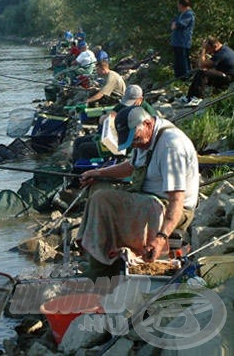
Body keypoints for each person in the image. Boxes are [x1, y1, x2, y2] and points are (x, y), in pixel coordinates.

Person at [77, 106, 199, 279]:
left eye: (136, 140)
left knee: (103, 201)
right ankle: (102, 256)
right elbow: (131, 166)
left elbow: (177, 201)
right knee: (98, 192)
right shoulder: (144, 139)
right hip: (148, 197)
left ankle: (100, 271)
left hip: (172, 208)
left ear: (148, 124)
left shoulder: (171, 146)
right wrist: (98, 173)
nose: (135, 145)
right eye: (131, 143)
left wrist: (161, 237)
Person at [72, 85, 155, 162]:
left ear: (140, 99)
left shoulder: (147, 114)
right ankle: (75, 167)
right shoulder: (125, 105)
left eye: (131, 102)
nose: (127, 105)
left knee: (84, 148)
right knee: (78, 141)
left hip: (124, 145)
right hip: (113, 136)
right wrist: (105, 117)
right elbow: (113, 112)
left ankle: (82, 173)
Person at [184, 36, 234, 105]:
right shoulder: (222, 49)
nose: (208, 52)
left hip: (228, 78)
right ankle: (189, 97)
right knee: (201, 71)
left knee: (203, 72)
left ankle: (198, 98)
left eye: (208, 49)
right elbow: (202, 65)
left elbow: (201, 64)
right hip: (223, 73)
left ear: (214, 46)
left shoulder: (222, 53)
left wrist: (203, 49)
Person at [170, 0, 195, 79]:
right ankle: (179, 77)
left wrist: (175, 24)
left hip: (183, 42)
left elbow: (180, 24)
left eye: (178, 4)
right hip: (177, 42)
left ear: (182, 5)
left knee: (183, 61)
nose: (177, 6)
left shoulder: (189, 14)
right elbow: (174, 21)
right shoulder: (182, 14)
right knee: (178, 61)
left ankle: (186, 77)